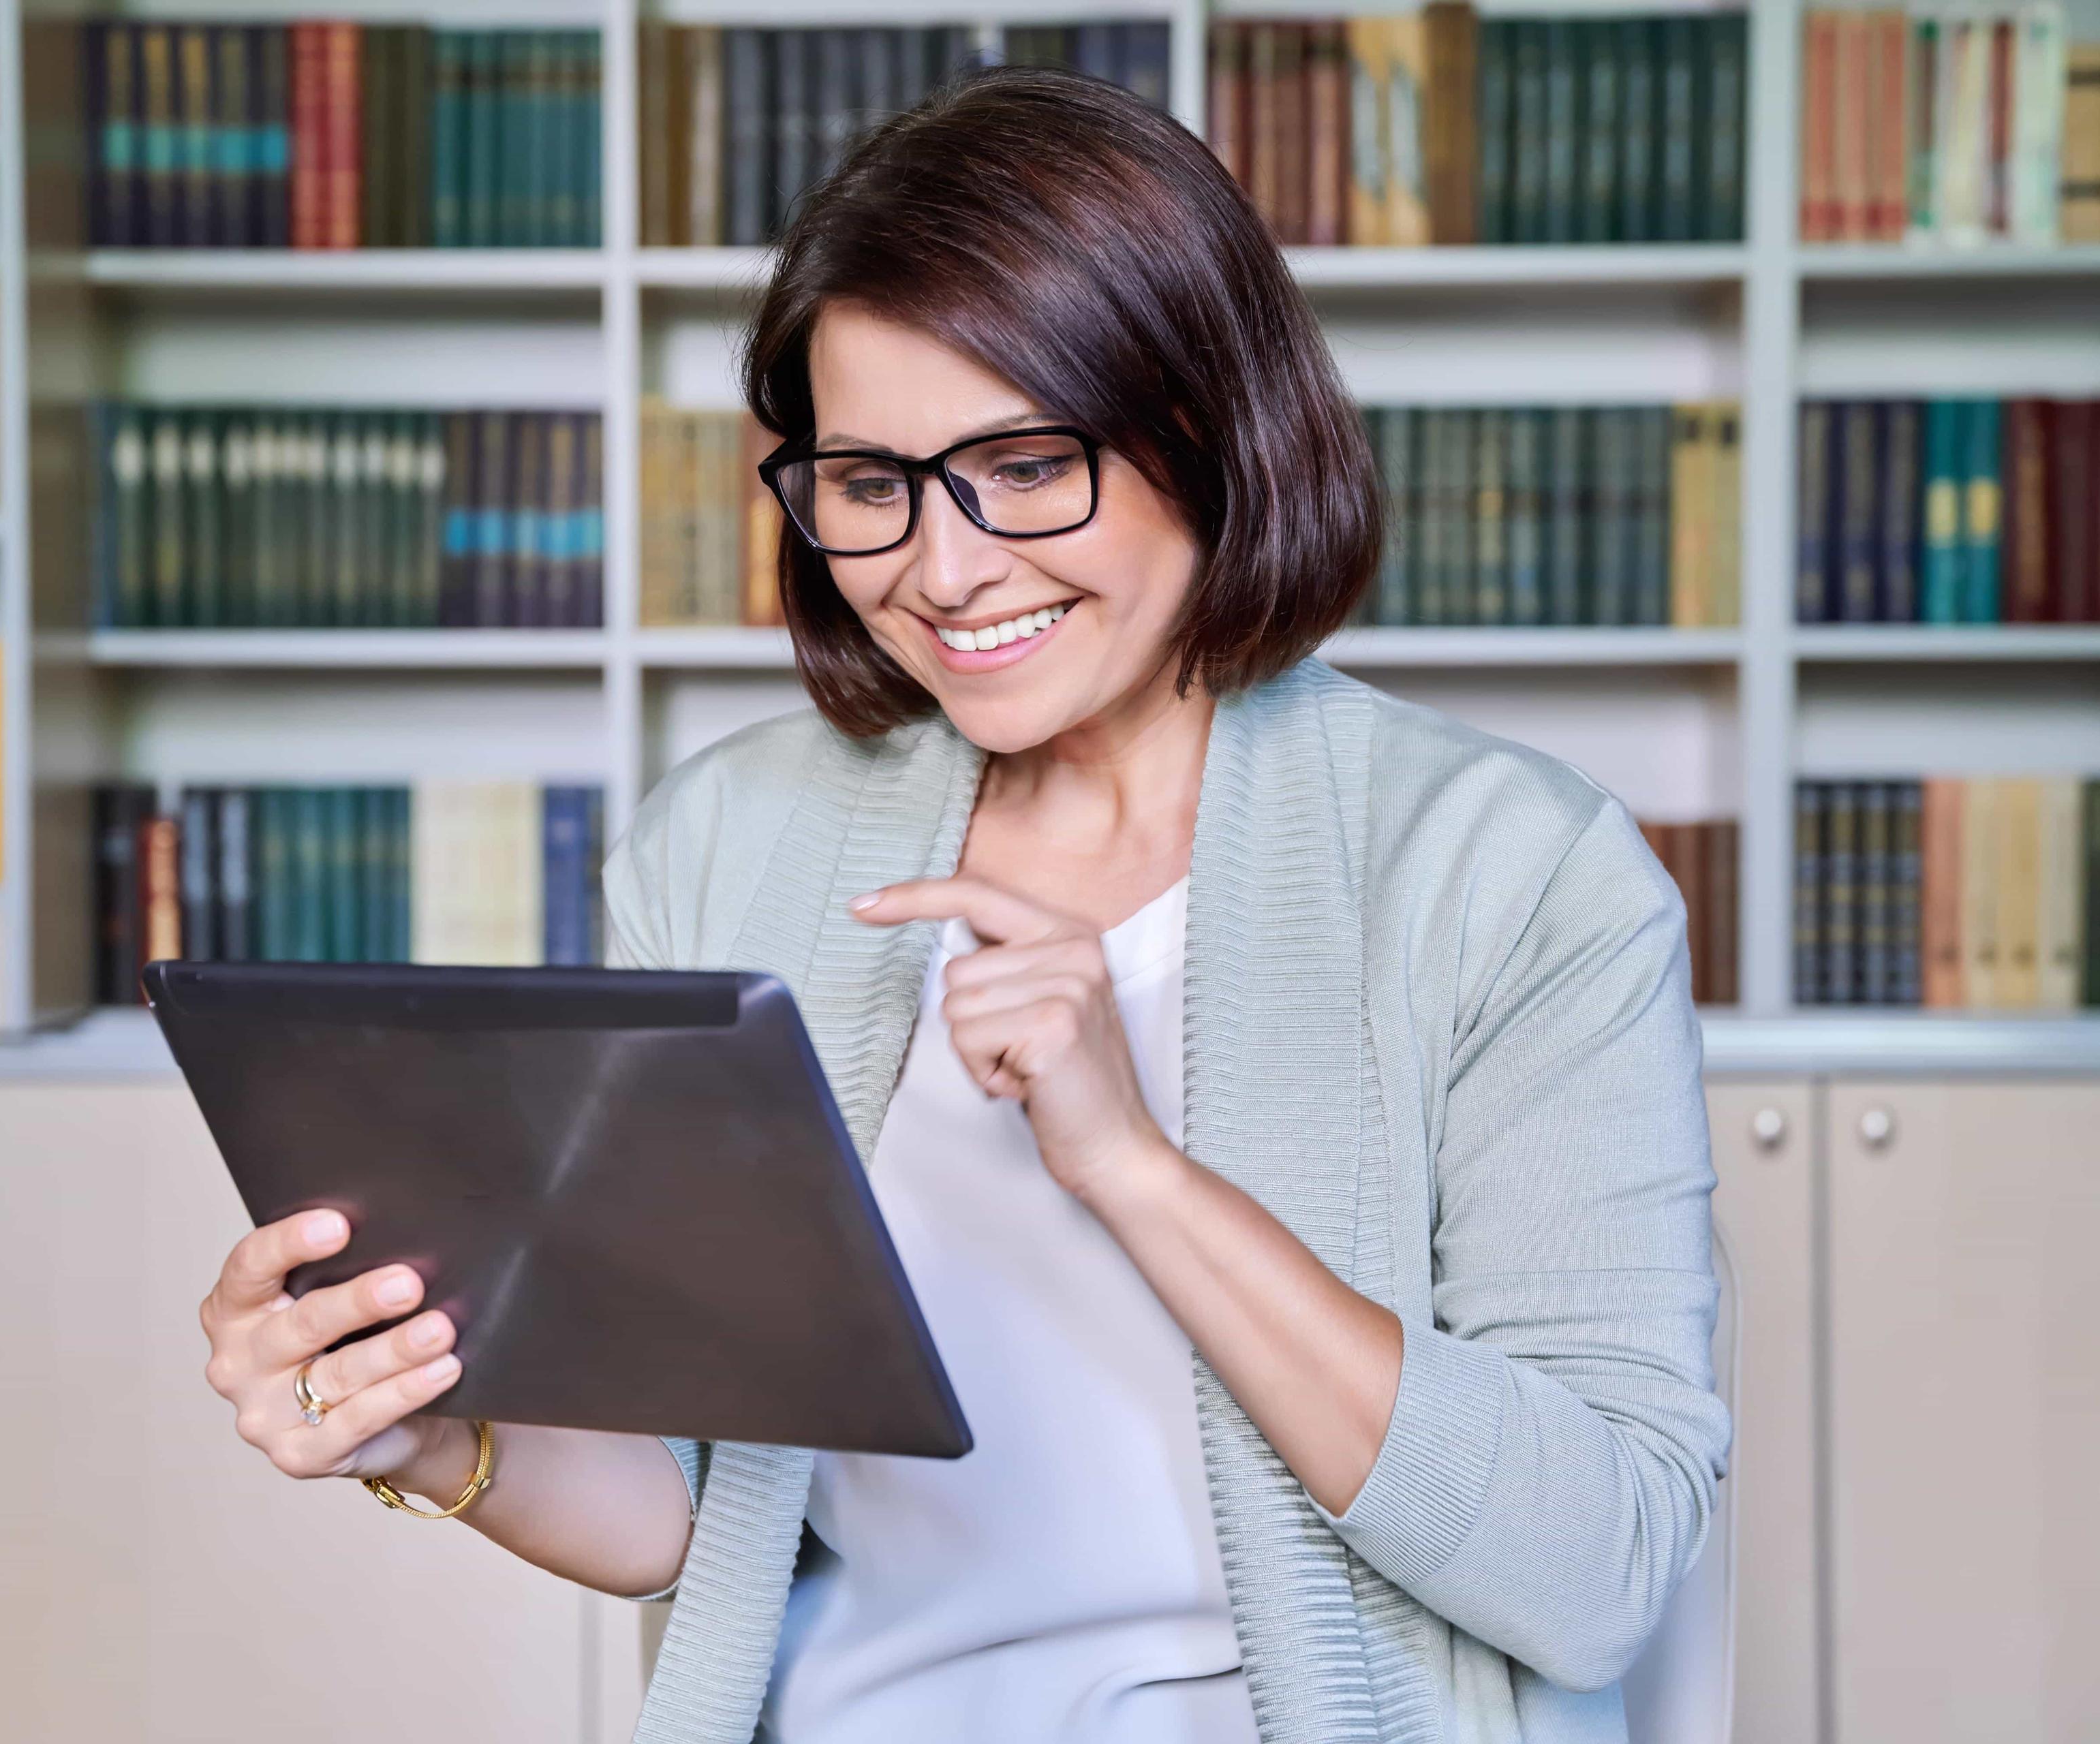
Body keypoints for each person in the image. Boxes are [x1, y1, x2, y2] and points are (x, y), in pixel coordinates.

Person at [196, 63, 1729, 1744]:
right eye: (868, 482)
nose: (944, 566)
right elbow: (708, 1513)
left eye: (1019, 461)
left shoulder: (1511, 872)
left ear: (1208, 428)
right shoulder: (728, 846)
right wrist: (428, 1434)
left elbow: (1598, 1568)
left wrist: (1131, 1165)